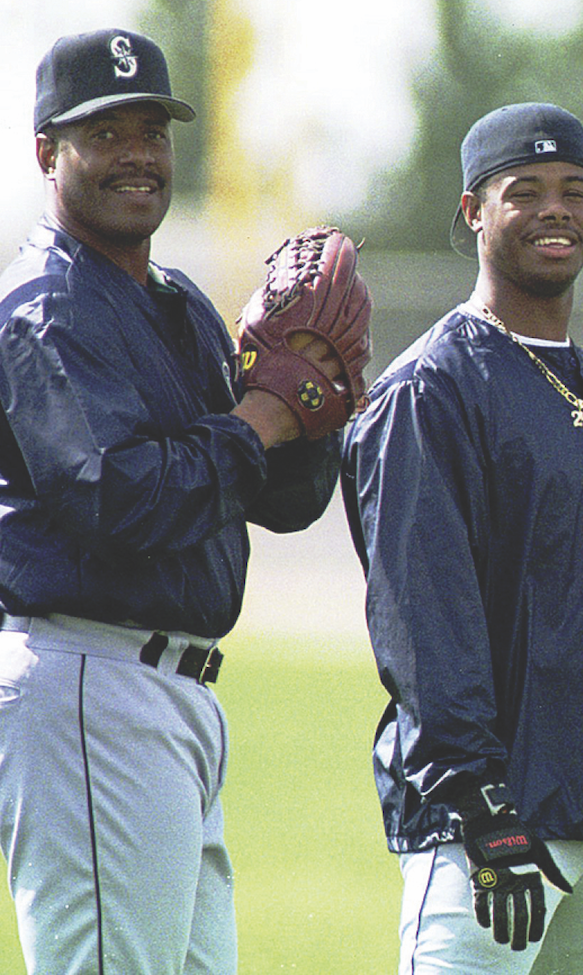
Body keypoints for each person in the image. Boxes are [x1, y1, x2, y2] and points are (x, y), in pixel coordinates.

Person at [341, 102, 583, 974]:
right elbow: (422, 618)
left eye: (573, 190)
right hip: (495, 828)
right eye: (526, 191)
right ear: (475, 210)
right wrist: (478, 800)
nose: (556, 209)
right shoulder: (429, 391)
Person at [0, 28, 346, 975]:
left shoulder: (181, 303)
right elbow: (116, 498)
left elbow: (273, 495)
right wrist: (266, 415)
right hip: (88, 681)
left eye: (150, 129)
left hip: (174, 702)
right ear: (46, 152)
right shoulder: (42, 306)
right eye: (103, 132)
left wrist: (316, 408)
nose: (137, 154)